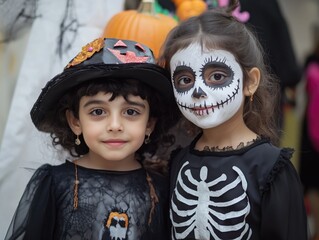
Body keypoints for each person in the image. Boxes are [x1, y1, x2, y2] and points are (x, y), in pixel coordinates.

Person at [158, 0, 308, 239]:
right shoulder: (179, 161)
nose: (198, 91)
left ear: (250, 82)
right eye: (185, 80)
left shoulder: (272, 170)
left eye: (217, 76)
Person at [4, 37, 179, 240]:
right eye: (97, 112)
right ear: (75, 121)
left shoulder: (162, 189)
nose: (115, 125)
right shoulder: (54, 184)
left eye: (131, 112)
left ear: (149, 124)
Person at [299, 38, 319, 240]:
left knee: (312, 182)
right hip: (312, 129)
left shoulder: (312, 68)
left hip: (312, 130)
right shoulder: (311, 64)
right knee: (312, 182)